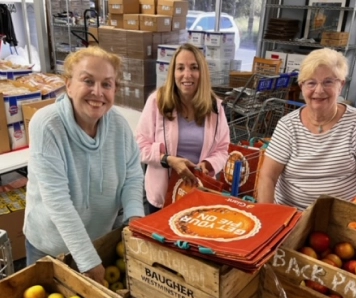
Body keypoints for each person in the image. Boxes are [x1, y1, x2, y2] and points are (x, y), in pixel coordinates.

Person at [24, 46, 145, 283]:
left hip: (99, 241)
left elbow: (132, 176)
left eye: (107, 84)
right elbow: (57, 200)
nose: (97, 92)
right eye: (88, 81)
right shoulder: (47, 125)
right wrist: (88, 260)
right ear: (68, 84)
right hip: (50, 248)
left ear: (115, 89)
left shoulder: (119, 126)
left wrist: (134, 221)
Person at [257, 48, 356, 210]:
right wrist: (269, 217)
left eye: (328, 82)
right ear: (302, 86)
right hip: (293, 212)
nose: (319, 90)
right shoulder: (288, 125)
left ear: (341, 85)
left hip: (341, 215)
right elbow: (268, 176)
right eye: (311, 82)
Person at [136, 43, 230, 214]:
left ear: (202, 73)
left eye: (194, 68)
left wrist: (209, 164)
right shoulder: (157, 102)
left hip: (199, 193)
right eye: (180, 68)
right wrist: (168, 160)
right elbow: (140, 146)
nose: (187, 75)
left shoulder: (215, 107)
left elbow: (223, 149)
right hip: (162, 196)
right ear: (173, 73)